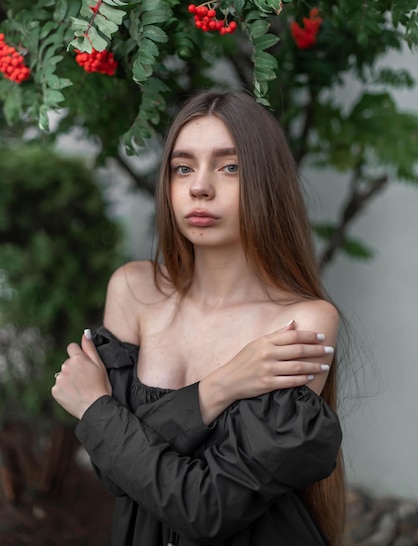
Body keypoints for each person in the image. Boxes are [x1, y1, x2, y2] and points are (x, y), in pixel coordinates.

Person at [52, 90, 345, 546]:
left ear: (268, 182)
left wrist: (95, 409)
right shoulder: (134, 290)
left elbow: (207, 507)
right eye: (183, 167)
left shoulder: (301, 321)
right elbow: (113, 474)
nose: (199, 187)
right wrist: (221, 387)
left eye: (230, 167)